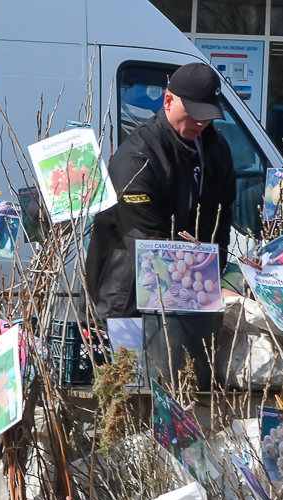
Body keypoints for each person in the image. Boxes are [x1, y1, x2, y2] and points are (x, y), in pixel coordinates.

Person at [85, 62, 237, 390]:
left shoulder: (216, 149)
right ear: (168, 101)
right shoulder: (136, 159)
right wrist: (204, 282)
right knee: (128, 391)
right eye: (193, 111)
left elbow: (222, 216)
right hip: (125, 295)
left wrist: (216, 267)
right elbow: (147, 242)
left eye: (208, 112)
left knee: (182, 391)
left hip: (187, 292)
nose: (201, 121)